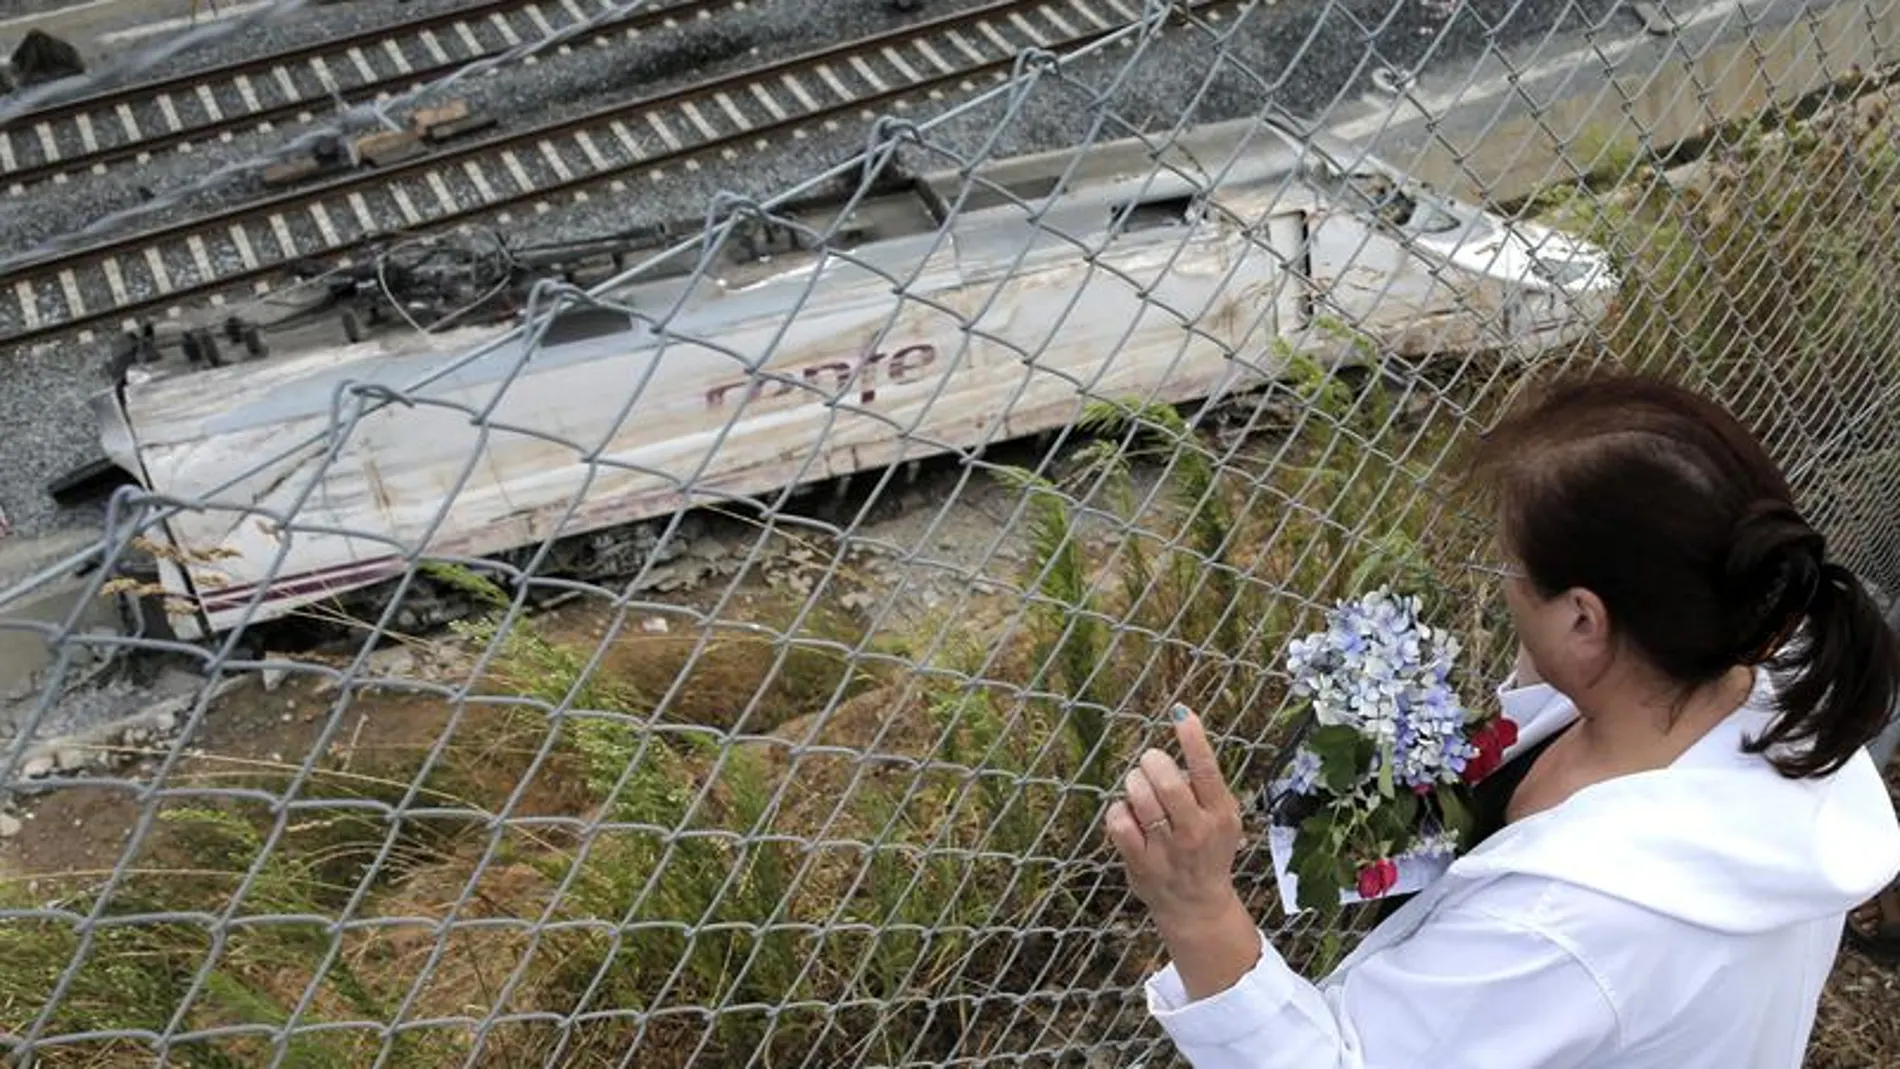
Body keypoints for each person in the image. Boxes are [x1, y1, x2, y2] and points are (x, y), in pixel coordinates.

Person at [1105, 372, 1900, 1069]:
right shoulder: (1772, 683)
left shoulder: (1567, 929)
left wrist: (1196, 903)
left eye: (1511, 570)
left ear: (1587, 620)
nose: (1502, 590)